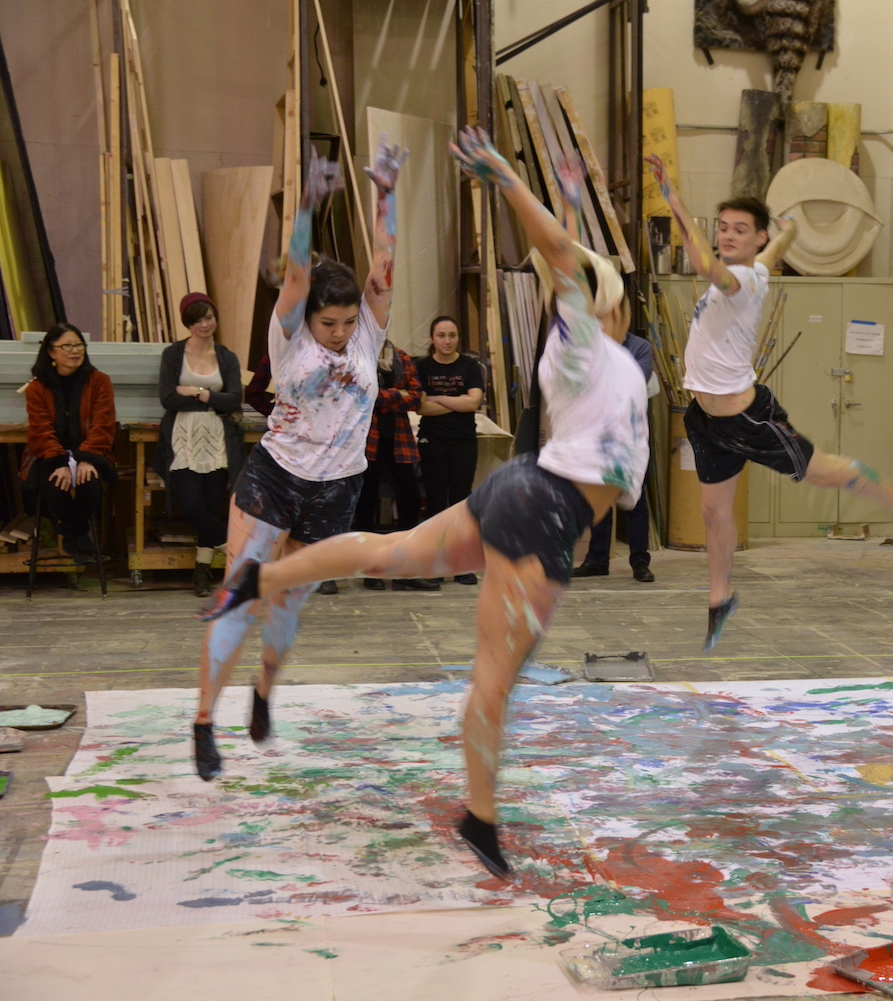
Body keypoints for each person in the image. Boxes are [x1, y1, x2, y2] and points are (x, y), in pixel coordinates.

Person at [200, 130, 647, 879]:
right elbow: (558, 251)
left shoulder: (604, 361)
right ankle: (478, 816)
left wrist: (558, 195)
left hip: (519, 492)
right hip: (542, 514)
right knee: (493, 681)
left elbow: (553, 252)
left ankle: (261, 581)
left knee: (387, 552)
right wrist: (510, 178)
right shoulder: (583, 343)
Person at [191, 141, 406, 781]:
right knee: (238, 597)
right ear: (307, 318)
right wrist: (310, 200)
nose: (340, 332)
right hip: (274, 479)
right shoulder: (287, 341)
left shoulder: (368, 332)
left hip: (336, 492)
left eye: (347, 322)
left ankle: (263, 689)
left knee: (285, 609)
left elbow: (385, 266)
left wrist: (385, 193)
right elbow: (292, 275)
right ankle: (204, 721)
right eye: (329, 323)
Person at [647, 154, 893, 651]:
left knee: (822, 471)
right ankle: (720, 596)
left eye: (739, 230)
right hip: (706, 420)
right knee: (714, 511)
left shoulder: (740, 281)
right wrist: (788, 234)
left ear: (753, 238)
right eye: (723, 228)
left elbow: (703, 262)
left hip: (749, 419)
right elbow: (772, 255)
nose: (727, 235)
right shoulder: (758, 268)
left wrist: (673, 197)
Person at [155, 293, 245, 596]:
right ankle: (238, 555)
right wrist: (210, 398)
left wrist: (198, 392)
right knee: (192, 505)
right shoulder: (173, 354)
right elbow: (167, 397)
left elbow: (235, 399)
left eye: (208, 317)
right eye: (196, 320)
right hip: (183, 436)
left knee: (210, 505)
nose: (204, 324)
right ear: (188, 324)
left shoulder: (227, 356)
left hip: (218, 438)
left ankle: (202, 572)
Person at [21, 323, 116, 560]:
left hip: (88, 451)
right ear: (51, 352)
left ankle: (72, 533)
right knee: (54, 485)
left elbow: (103, 424)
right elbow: (40, 429)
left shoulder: (99, 381)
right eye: (67, 346)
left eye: (79, 345)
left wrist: (87, 458)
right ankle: (80, 534)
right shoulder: (36, 388)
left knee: (90, 481)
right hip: (49, 454)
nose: (76, 351)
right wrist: (58, 461)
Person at [246, 354, 336, 597]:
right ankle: (287, 572)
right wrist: (280, 416)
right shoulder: (282, 351)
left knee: (322, 507)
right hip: (287, 447)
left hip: (325, 445)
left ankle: (321, 572)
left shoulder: (335, 356)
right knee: (287, 509)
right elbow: (253, 392)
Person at [575, 328, 656, 582]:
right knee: (598, 497)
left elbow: (636, 383)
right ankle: (597, 560)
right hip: (598, 432)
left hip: (630, 435)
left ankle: (640, 563)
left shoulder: (640, 347)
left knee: (636, 499)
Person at [355, 336, 431, 591]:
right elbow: (361, 396)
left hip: (398, 440)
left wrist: (382, 397)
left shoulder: (401, 356)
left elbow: (417, 397)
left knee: (409, 499)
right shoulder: (358, 357)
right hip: (368, 441)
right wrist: (397, 395)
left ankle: (403, 570)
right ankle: (371, 570)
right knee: (366, 505)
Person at [416, 315, 485, 586]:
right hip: (432, 441)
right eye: (442, 335)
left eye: (452, 335)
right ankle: (434, 564)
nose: (447, 340)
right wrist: (459, 400)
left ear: (458, 338)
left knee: (461, 503)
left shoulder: (470, 366)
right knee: (434, 502)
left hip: (464, 441)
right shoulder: (422, 367)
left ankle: (461, 563)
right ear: (432, 338)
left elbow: (474, 404)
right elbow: (421, 407)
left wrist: (437, 398)